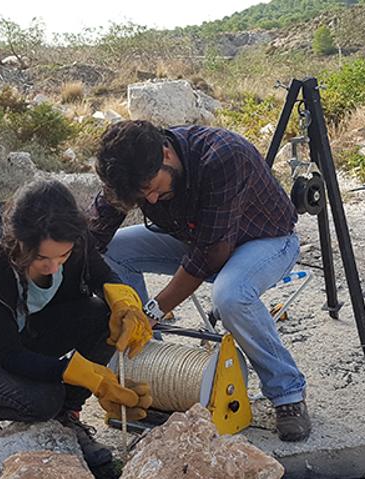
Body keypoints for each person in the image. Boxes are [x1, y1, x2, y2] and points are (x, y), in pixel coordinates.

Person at [87, 120, 311, 441]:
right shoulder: (131, 168)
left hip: (265, 240)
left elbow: (210, 255)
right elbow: (94, 236)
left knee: (230, 296)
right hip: (197, 237)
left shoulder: (223, 156)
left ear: (166, 152)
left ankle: (287, 393)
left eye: (153, 187)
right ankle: (147, 366)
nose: (150, 200)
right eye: (141, 195)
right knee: (115, 251)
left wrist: (149, 313)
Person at [0, 178, 152, 467]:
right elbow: (9, 354)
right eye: (42, 258)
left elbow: (100, 274)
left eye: (63, 256)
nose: (54, 267)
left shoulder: (70, 236)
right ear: (18, 241)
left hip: (25, 330)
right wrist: (86, 375)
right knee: (43, 400)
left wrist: (125, 303)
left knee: (104, 317)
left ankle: (66, 418)